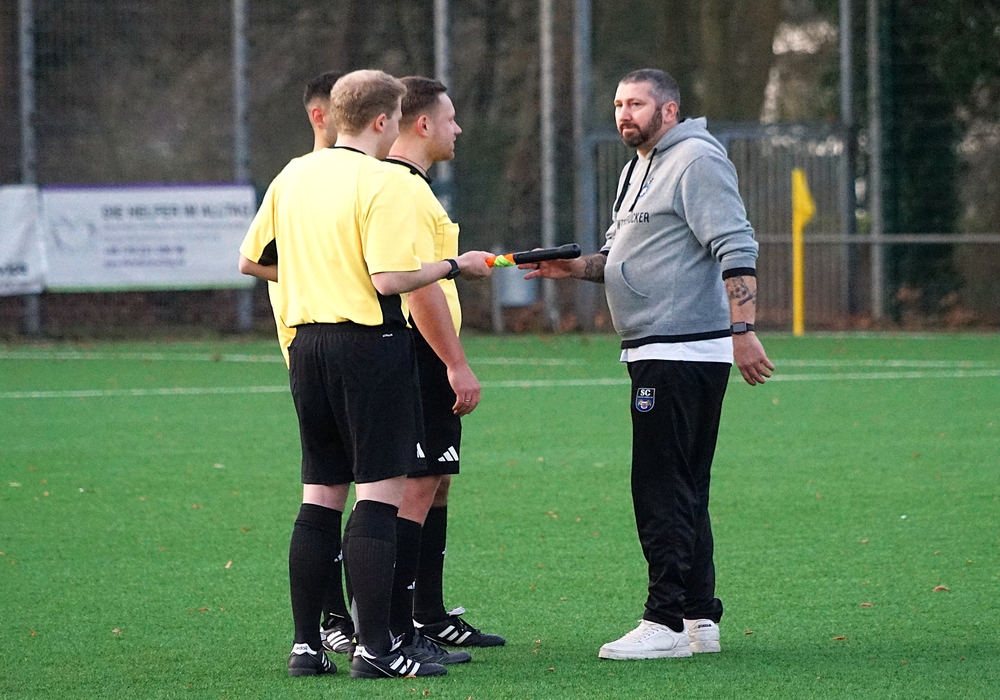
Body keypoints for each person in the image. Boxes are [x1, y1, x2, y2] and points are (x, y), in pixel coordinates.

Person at [238, 69, 492, 679]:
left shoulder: (294, 173)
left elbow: (251, 261)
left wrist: (316, 274)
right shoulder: (385, 182)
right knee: (379, 495)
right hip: (367, 346)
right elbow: (389, 279)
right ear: (383, 120)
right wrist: (454, 266)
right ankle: (378, 649)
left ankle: (307, 647)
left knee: (321, 495)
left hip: (307, 346)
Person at [524, 68, 774, 660]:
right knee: (684, 484)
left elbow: (736, 245)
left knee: (660, 486)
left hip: (681, 349)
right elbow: (620, 255)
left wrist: (743, 331)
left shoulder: (696, 160)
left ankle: (662, 622)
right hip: (654, 347)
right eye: (618, 104)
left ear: (669, 110)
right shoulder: (638, 165)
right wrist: (576, 267)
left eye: (636, 103)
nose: (623, 114)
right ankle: (697, 617)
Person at [382, 76, 505, 654]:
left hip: (419, 350)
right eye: (450, 118)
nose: (458, 128)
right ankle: (393, 626)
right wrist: (455, 363)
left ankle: (425, 614)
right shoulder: (403, 189)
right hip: (417, 350)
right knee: (415, 484)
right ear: (423, 123)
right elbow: (417, 285)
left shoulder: (412, 187)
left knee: (436, 481)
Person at [238, 70, 356, 656]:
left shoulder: (361, 176)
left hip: (352, 345)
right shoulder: (295, 178)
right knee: (338, 488)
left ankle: (381, 618)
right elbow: (250, 260)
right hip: (318, 347)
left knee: (356, 487)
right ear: (321, 115)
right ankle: (333, 621)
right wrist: (318, 278)